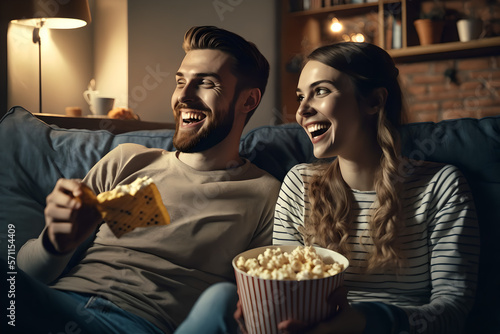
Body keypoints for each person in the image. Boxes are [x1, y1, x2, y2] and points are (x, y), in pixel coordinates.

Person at [177, 42, 480, 334]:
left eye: (320, 91)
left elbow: (451, 312)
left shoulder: (440, 187)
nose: (302, 111)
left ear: (374, 101)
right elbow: (285, 286)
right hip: (306, 327)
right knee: (221, 299)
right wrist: (262, 305)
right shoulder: (300, 183)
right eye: (300, 97)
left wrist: (365, 321)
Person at [6, 26, 280, 334]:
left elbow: (262, 303)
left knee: (223, 298)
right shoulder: (127, 160)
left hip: (144, 325)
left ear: (248, 100)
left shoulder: (266, 195)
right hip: (53, 308)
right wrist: (54, 244)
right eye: (180, 81)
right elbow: (21, 282)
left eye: (205, 83)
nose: (184, 96)